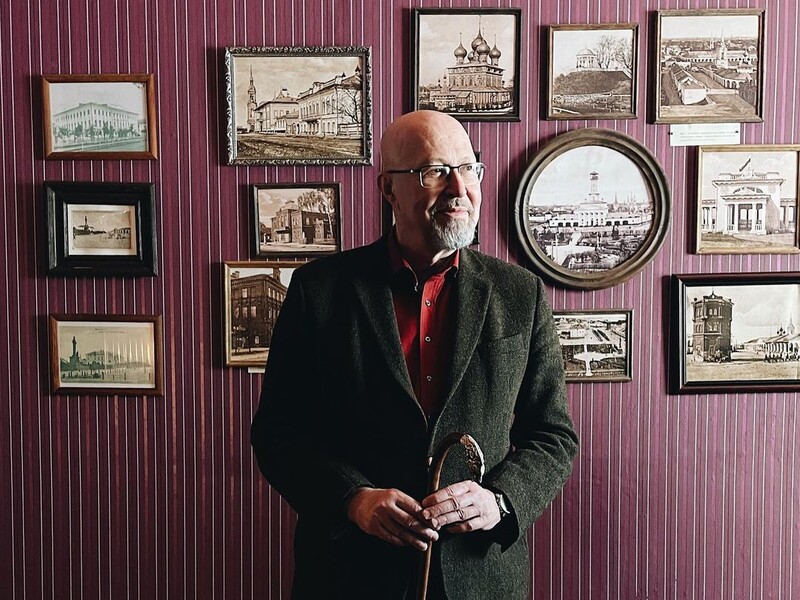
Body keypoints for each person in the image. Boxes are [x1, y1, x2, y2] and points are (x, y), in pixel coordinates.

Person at [251, 110, 578, 599]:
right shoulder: (317, 291)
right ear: (389, 189)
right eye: (435, 171)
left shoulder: (520, 293)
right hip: (350, 574)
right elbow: (278, 431)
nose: (459, 188)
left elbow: (553, 434)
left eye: (468, 169)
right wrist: (352, 499)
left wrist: (500, 501)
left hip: (481, 576)